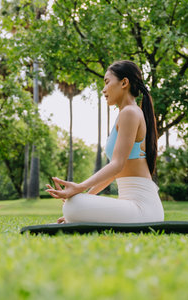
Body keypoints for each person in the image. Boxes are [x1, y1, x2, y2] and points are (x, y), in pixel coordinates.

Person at [45, 60, 164, 223]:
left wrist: (79, 189)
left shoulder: (130, 112)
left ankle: (76, 208)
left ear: (124, 83)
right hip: (134, 207)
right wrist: (85, 199)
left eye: (107, 82)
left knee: (73, 204)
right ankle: (76, 209)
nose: (103, 89)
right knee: (74, 203)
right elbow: (114, 172)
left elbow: (117, 164)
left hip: (143, 209)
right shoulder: (127, 113)